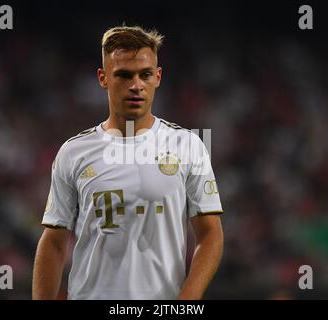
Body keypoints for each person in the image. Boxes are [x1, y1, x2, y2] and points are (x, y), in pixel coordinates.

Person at [32, 25, 224, 300]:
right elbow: (53, 242)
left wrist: (186, 301)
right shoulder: (73, 153)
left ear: (157, 77)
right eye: (123, 75)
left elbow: (210, 236)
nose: (136, 85)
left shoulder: (189, 146)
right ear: (103, 78)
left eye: (145, 75)